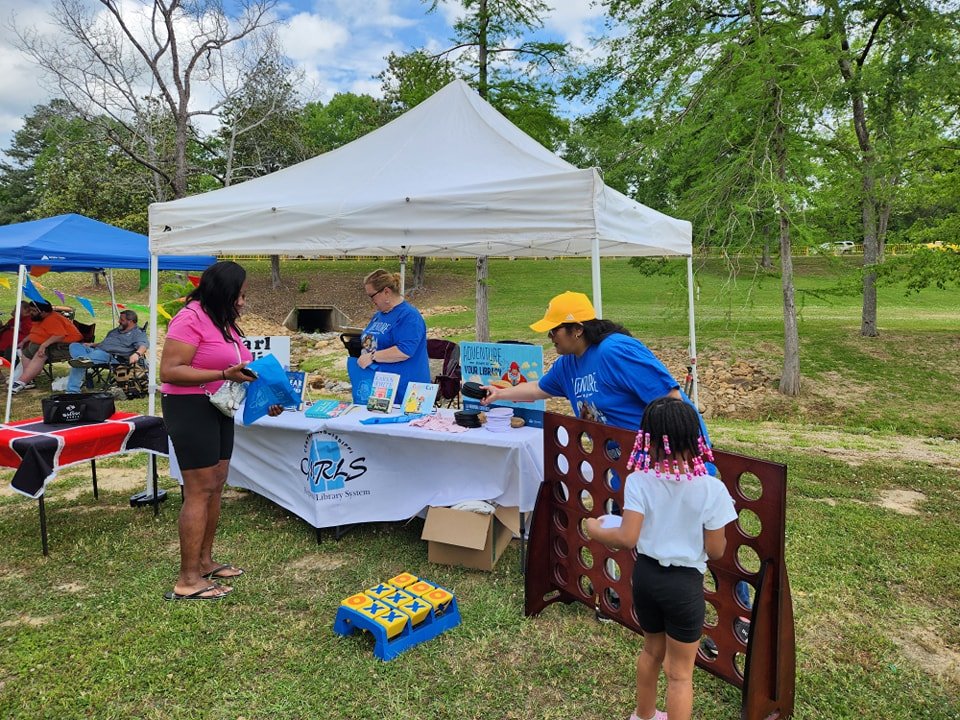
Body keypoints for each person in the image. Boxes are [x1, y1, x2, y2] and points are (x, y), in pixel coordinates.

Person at [585, 397, 737, 720]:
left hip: (646, 578)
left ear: (648, 442)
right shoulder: (712, 490)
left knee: (651, 651)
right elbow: (716, 550)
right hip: (683, 586)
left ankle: (643, 716)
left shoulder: (639, 481)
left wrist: (594, 529)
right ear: (696, 439)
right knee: (680, 674)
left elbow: (627, 536)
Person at [160, 261, 283, 601]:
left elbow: (240, 370)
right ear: (222, 293)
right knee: (198, 489)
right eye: (239, 295)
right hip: (189, 408)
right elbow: (170, 371)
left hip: (219, 407)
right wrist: (224, 375)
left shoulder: (223, 322)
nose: (243, 302)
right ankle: (187, 580)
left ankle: (204, 562)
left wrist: (267, 397)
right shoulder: (190, 317)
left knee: (216, 483)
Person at [481, 291, 709, 440]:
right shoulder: (567, 364)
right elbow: (538, 389)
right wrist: (498, 393)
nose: (550, 336)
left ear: (578, 329)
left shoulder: (616, 351)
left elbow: (671, 401)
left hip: (672, 461)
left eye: (554, 329)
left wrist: (672, 458)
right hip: (628, 465)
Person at [355, 268, 430, 401]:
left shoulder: (409, 316)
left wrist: (372, 356)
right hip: (382, 388)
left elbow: (404, 351)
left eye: (372, 296)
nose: (371, 300)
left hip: (406, 391)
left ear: (386, 292)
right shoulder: (379, 315)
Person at [65, 309, 148, 393]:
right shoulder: (116, 331)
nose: (119, 321)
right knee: (75, 345)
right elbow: (106, 343)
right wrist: (92, 344)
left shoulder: (138, 333)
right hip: (96, 350)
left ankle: (72, 391)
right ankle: (83, 361)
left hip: (111, 356)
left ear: (130, 321)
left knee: (81, 362)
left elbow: (143, 345)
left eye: (122, 320)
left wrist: (137, 354)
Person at [11, 300, 83, 393]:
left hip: (68, 346)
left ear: (44, 312)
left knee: (41, 353)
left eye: (34, 311)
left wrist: (44, 345)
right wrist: (24, 341)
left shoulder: (52, 319)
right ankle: (29, 380)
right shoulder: (39, 318)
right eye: (31, 310)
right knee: (26, 352)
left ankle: (21, 382)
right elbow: (36, 333)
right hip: (54, 343)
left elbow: (60, 335)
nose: (31, 313)